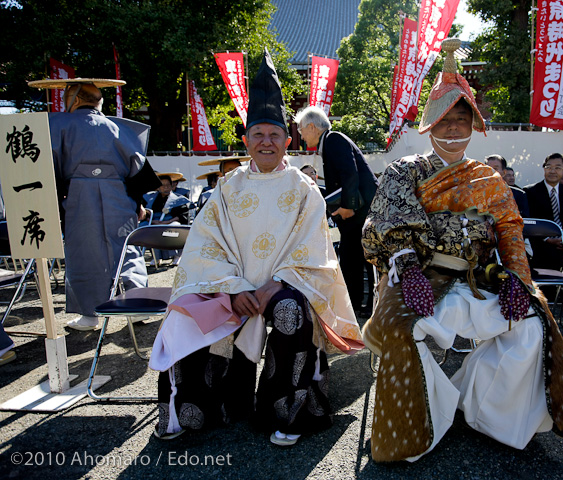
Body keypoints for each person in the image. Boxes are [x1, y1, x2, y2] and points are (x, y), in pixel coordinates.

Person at [360, 39, 563, 462]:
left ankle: (488, 412)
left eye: (461, 121)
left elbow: (510, 232)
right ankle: (419, 427)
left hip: (477, 278)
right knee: (397, 330)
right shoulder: (403, 171)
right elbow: (386, 226)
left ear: (473, 126)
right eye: (444, 121)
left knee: (534, 322)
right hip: (417, 275)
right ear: (429, 125)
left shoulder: (489, 179)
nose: (452, 130)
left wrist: (519, 280)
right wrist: (408, 271)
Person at [149, 49, 363, 445]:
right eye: (258, 135)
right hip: (232, 286)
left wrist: (273, 285)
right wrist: (235, 287)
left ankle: (286, 413)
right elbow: (204, 246)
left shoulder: (304, 190)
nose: (267, 142)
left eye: (275, 134)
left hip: (285, 288)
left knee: (289, 312)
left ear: (288, 140)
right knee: (183, 313)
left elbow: (312, 251)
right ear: (246, 140)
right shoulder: (226, 189)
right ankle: (197, 411)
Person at [28, 78, 161, 331]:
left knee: (84, 252)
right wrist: (139, 204)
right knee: (126, 248)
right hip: (119, 193)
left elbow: (47, 168)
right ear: (98, 101)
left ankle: (89, 315)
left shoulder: (56, 124)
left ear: (75, 99)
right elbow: (139, 171)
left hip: (79, 195)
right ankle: (138, 306)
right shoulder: (119, 126)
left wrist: (51, 205)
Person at [295, 105, 378, 315]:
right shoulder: (331, 141)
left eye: (301, 130)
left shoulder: (334, 139)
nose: (302, 136)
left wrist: (347, 207)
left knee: (354, 259)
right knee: (355, 259)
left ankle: (352, 307)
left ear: (312, 127)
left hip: (359, 213)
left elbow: (349, 173)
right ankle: (356, 306)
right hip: (358, 212)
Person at [524, 153, 563, 269]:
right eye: (548, 167)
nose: (552, 171)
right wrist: (548, 239)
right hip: (540, 245)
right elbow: (529, 222)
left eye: (557, 168)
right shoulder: (530, 192)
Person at [143, 173, 192, 266]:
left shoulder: (178, 199)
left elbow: (182, 215)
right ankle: (156, 257)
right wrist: (153, 221)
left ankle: (177, 256)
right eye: (162, 185)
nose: (165, 188)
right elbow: (145, 213)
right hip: (154, 221)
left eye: (168, 185)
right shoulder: (149, 198)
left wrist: (168, 222)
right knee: (145, 228)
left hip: (171, 221)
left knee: (174, 228)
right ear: (158, 187)